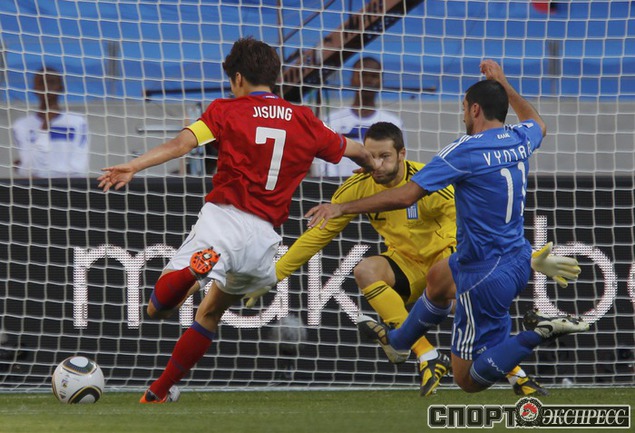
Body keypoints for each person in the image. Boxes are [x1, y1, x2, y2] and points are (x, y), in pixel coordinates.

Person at [97, 37, 376, 403]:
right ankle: (158, 391)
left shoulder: (225, 110)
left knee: (158, 307)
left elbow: (181, 145)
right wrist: (375, 166)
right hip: (262, 239)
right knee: (210, 312)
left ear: (239, 78)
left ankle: (195, 270)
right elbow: (355, 150)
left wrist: (133, 165)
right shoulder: (306, 120)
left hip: (224, 220)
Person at [304, 59, 589, 394]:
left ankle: (537, 333)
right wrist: (503, 83)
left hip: (481, 271)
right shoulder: (519, 138)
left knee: (468, 379)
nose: (463, 114)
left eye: (464, 108)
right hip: (516, 257)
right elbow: (538, 123)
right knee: (438, 279)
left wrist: (342, 207)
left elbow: (406, 196)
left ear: (475, 109)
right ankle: (399, 342)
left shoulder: (464, 151)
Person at [248, 121, 579, 397]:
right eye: (370, 156)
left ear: (402, 154)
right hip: (406, 265)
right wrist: (273, 275)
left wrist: (527, 257)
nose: (377, 165)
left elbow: (484, 229)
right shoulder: (357, 188)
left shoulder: (431, 181)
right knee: (366, 270)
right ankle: (426, 353)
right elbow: (316, 236)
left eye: (385, 156)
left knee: (470, 314)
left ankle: (517, 374)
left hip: (448, 262)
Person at [310, 57, 403, 177]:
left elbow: (398, 162)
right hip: (338, 186)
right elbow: (323, 161)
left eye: (374, 76)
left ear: (381, 81)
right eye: (363, 75)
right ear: (352, 79)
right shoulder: (331, 120)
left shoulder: (394, 123)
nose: (368, 80)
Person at [13, 67, 90, 178]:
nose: (46, 87)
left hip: (70, 185)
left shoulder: (77, 122)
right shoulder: (22, 125)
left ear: (61, 88)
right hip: (38, 186)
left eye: (51, 82)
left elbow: (78, 167)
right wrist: (45, 126)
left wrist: (24, 168)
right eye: (41, 83)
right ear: (34, 88)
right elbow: (31, 169)